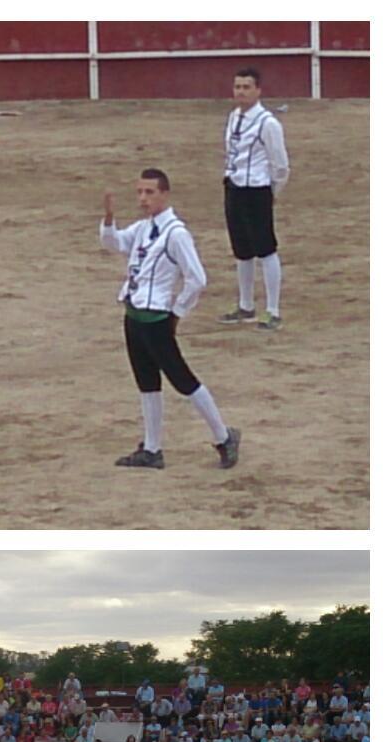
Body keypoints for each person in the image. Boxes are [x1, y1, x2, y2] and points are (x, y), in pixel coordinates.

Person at [101, 170, 240, 470]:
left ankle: (223, 436)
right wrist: (109, 219)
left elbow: (197, 278)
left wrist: (177, 312)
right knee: (147, 382)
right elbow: (114, 244)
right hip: (134, 314)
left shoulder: (176, 234)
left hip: (157, 318)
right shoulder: (143, 228)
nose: (143, 199)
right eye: (139, 192)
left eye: (149, 192)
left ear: (165, 194)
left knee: (182, 379)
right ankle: (152, 448)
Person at [218, 67, 290, 331]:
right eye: (237, 87)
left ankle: (273, 310)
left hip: (257, 190)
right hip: (235, 187)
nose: (241, 92)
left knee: (266, 248)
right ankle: (246, 305)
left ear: (258, 90)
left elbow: (280, 165)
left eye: (247, 87)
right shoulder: (233, 117)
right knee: (242, 250)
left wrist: (272, 193)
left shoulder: (268, 123)